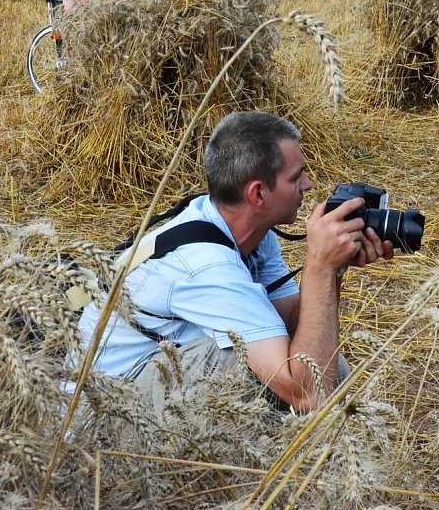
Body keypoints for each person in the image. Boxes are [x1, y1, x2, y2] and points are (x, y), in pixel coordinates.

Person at [78, 112, 393, 413]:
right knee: (239, 365)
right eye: (296, 177)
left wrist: (333, 266)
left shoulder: (248, 230)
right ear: (257, 193)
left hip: (147, 386)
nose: (308, 185)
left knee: (326, 365)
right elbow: (307, 393)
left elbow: (290, 320)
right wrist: (318, 266)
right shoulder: (207, 266)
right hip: (104, 413)